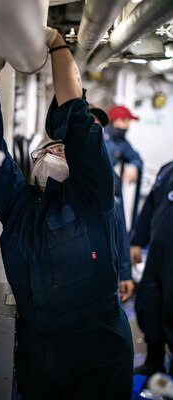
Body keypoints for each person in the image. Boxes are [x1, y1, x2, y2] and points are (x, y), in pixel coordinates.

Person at [0, 27, 133, 400]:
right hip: (39, 354)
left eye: (63, 148)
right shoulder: (19, 207)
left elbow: (77, 121)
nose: (55, 151)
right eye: (48, 148)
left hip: (98, 353)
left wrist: (56, 42)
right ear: (35, 160)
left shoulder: (93, 198)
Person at [130, 161, 173, 377]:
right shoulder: (167, 169)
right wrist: (137, 241)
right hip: (156, 256)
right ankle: (153, 361)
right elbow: (148, 209)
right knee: (149, 306)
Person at [91, 107, 134, 302]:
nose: (94, 134)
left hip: (98, 274)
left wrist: (125, 272)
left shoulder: (110, 178)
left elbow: (119, 226)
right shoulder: (52, 170)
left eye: (98, 129)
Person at [104, 104, 143, 234]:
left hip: (109, 197)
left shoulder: (121, 142)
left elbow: (136, 157)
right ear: (118, 120)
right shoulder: (99, 136)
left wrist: (133, 166)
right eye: (127, 121)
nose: (128, 126)